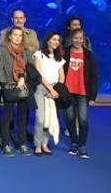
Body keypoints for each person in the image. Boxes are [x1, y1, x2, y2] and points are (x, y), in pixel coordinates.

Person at [0, 27, 32, 157]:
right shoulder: (2, 50)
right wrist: (5, 85)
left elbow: (30, 69)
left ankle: (21, 143)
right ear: (9, 36)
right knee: (7, 117)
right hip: (9, 87)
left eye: (20, 35)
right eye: (15, 35)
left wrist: (22, 78)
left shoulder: (26, 52)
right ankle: (5, 144)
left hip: (23, 87)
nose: (17, 37)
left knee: (22, 118)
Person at [63, 29, 98, 159]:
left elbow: (94, 76)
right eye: (76, 38)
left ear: (83, 39)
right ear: (71, 39)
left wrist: (92, 96)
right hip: (68, 91)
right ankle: (74, 142)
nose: (78, 40)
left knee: (83, 119)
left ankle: (82, 145)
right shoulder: (65, 52)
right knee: (70, 118)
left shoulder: (89, 55)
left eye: (80, 38)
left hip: (83, 92)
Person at [32, 32, 66, 156]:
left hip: (54, 90)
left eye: (58, 40)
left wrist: (56, 89)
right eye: (54, 39)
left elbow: (62, 76)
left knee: (50, 118)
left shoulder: (59, 59)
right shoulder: (39, 54)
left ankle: (45, 144)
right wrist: (50, 89)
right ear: (48, 41)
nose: (56, 42)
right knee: (40, 119)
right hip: (41, 89)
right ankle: (37, 144)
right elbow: (38, 74)